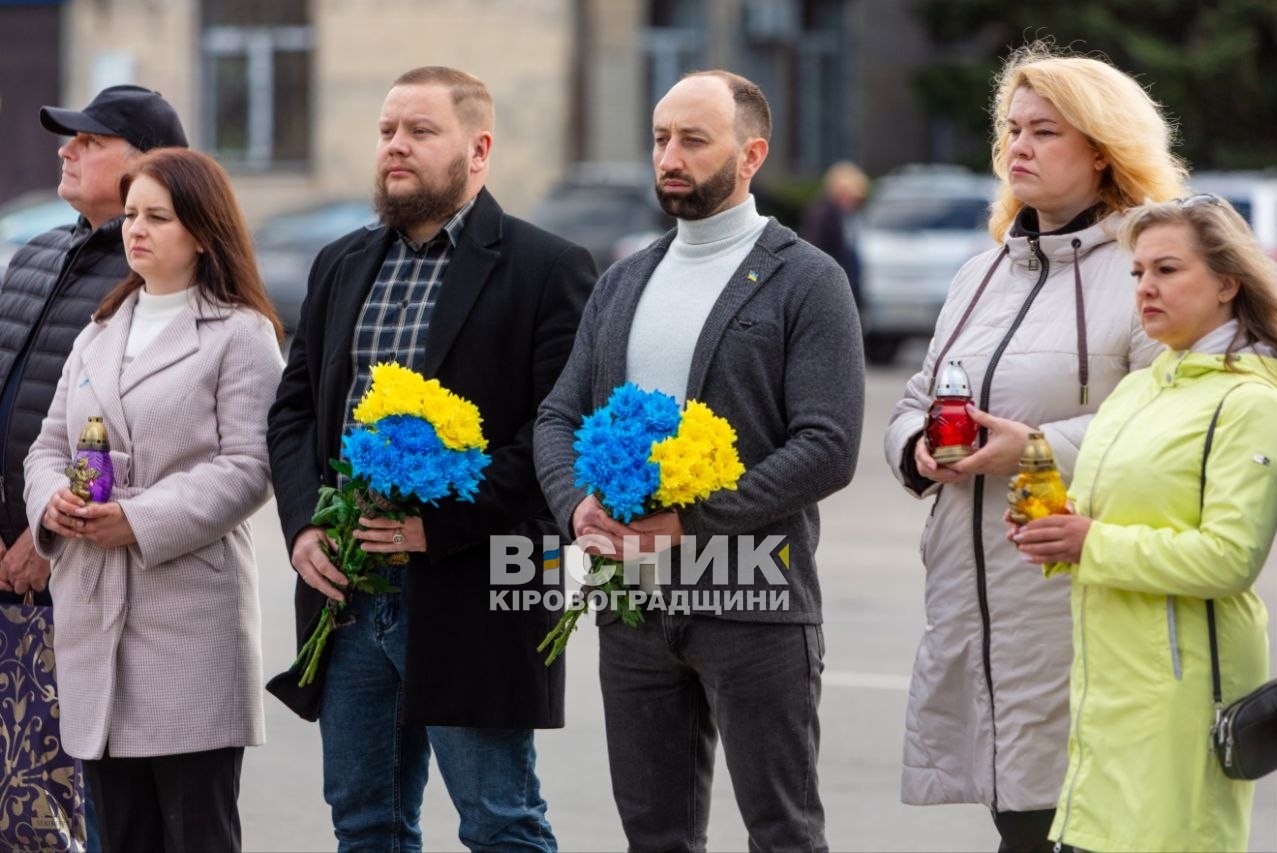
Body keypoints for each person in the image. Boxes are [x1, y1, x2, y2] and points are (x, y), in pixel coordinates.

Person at [266, 66, 595, 851]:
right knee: (365, 821)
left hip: (477, 587)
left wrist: (433, 529)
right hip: (348, 595)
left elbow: (561, 433)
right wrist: (307, 524)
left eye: (419, 131)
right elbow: (295, 410)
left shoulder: (549, 266)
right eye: (387, 131)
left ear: (478, 150)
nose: (396, 148)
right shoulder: (341, 262)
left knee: (500, 821)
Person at [535, 70, 863, 852]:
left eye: (692, 140)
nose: (669, 157)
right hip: (634, 607)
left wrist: (687, 521)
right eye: (659, 139)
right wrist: (575, 502)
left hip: (756, 601)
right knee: (655, 834)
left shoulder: (807, 280)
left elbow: (828, 446)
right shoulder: (623, 281)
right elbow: (557, 414)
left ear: (751, 155)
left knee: (782, 831)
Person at [882, 42, 1187, 851]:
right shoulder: (978, 275)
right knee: (1019, 821)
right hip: (969, 594)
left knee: (1075, 823)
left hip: (1075, 598)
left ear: (1102, 150)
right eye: (1012, 129)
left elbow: (1174, 422)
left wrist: (1036, 446)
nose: (1018, 146)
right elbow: (913, 402)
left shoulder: (1148, 268)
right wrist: (917, 447)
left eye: (1044, 131)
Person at [22, 147, 284, 851]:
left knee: (197, 830)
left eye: (158, 217)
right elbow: (49, 444)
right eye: (131, 214)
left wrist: (135, 519)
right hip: (92, 605)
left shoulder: (240, 333)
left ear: (202, 230)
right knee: (121, 831)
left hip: (186, 617)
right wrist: (53, 504)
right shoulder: (101, 328)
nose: (136, 229)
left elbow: (248, 467)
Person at [1010, 196, 1277, 852]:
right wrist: (1056, 526)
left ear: (1226, 282)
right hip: (1105, 675)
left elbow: (1229, 559)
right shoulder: (1139, 386)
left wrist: (1091, 542)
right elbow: (1115, 520)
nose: (1146, 288)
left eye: (1166, 269)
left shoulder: (1251, 401)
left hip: (1185, 691)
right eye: (1136, 273)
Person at [1, 84, 187, 603]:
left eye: (88, 141)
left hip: (81, 567)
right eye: (70, 140)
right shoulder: (34, 254)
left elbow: (144, 433)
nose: (65, 151)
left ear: (148, 164)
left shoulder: (159, 276)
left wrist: (45, 537)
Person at [802, 159, 867, 308]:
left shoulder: (846, 216)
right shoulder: (823, 216)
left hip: (845, 289)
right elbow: (817, 253)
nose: (855, 201)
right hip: (832, 292)